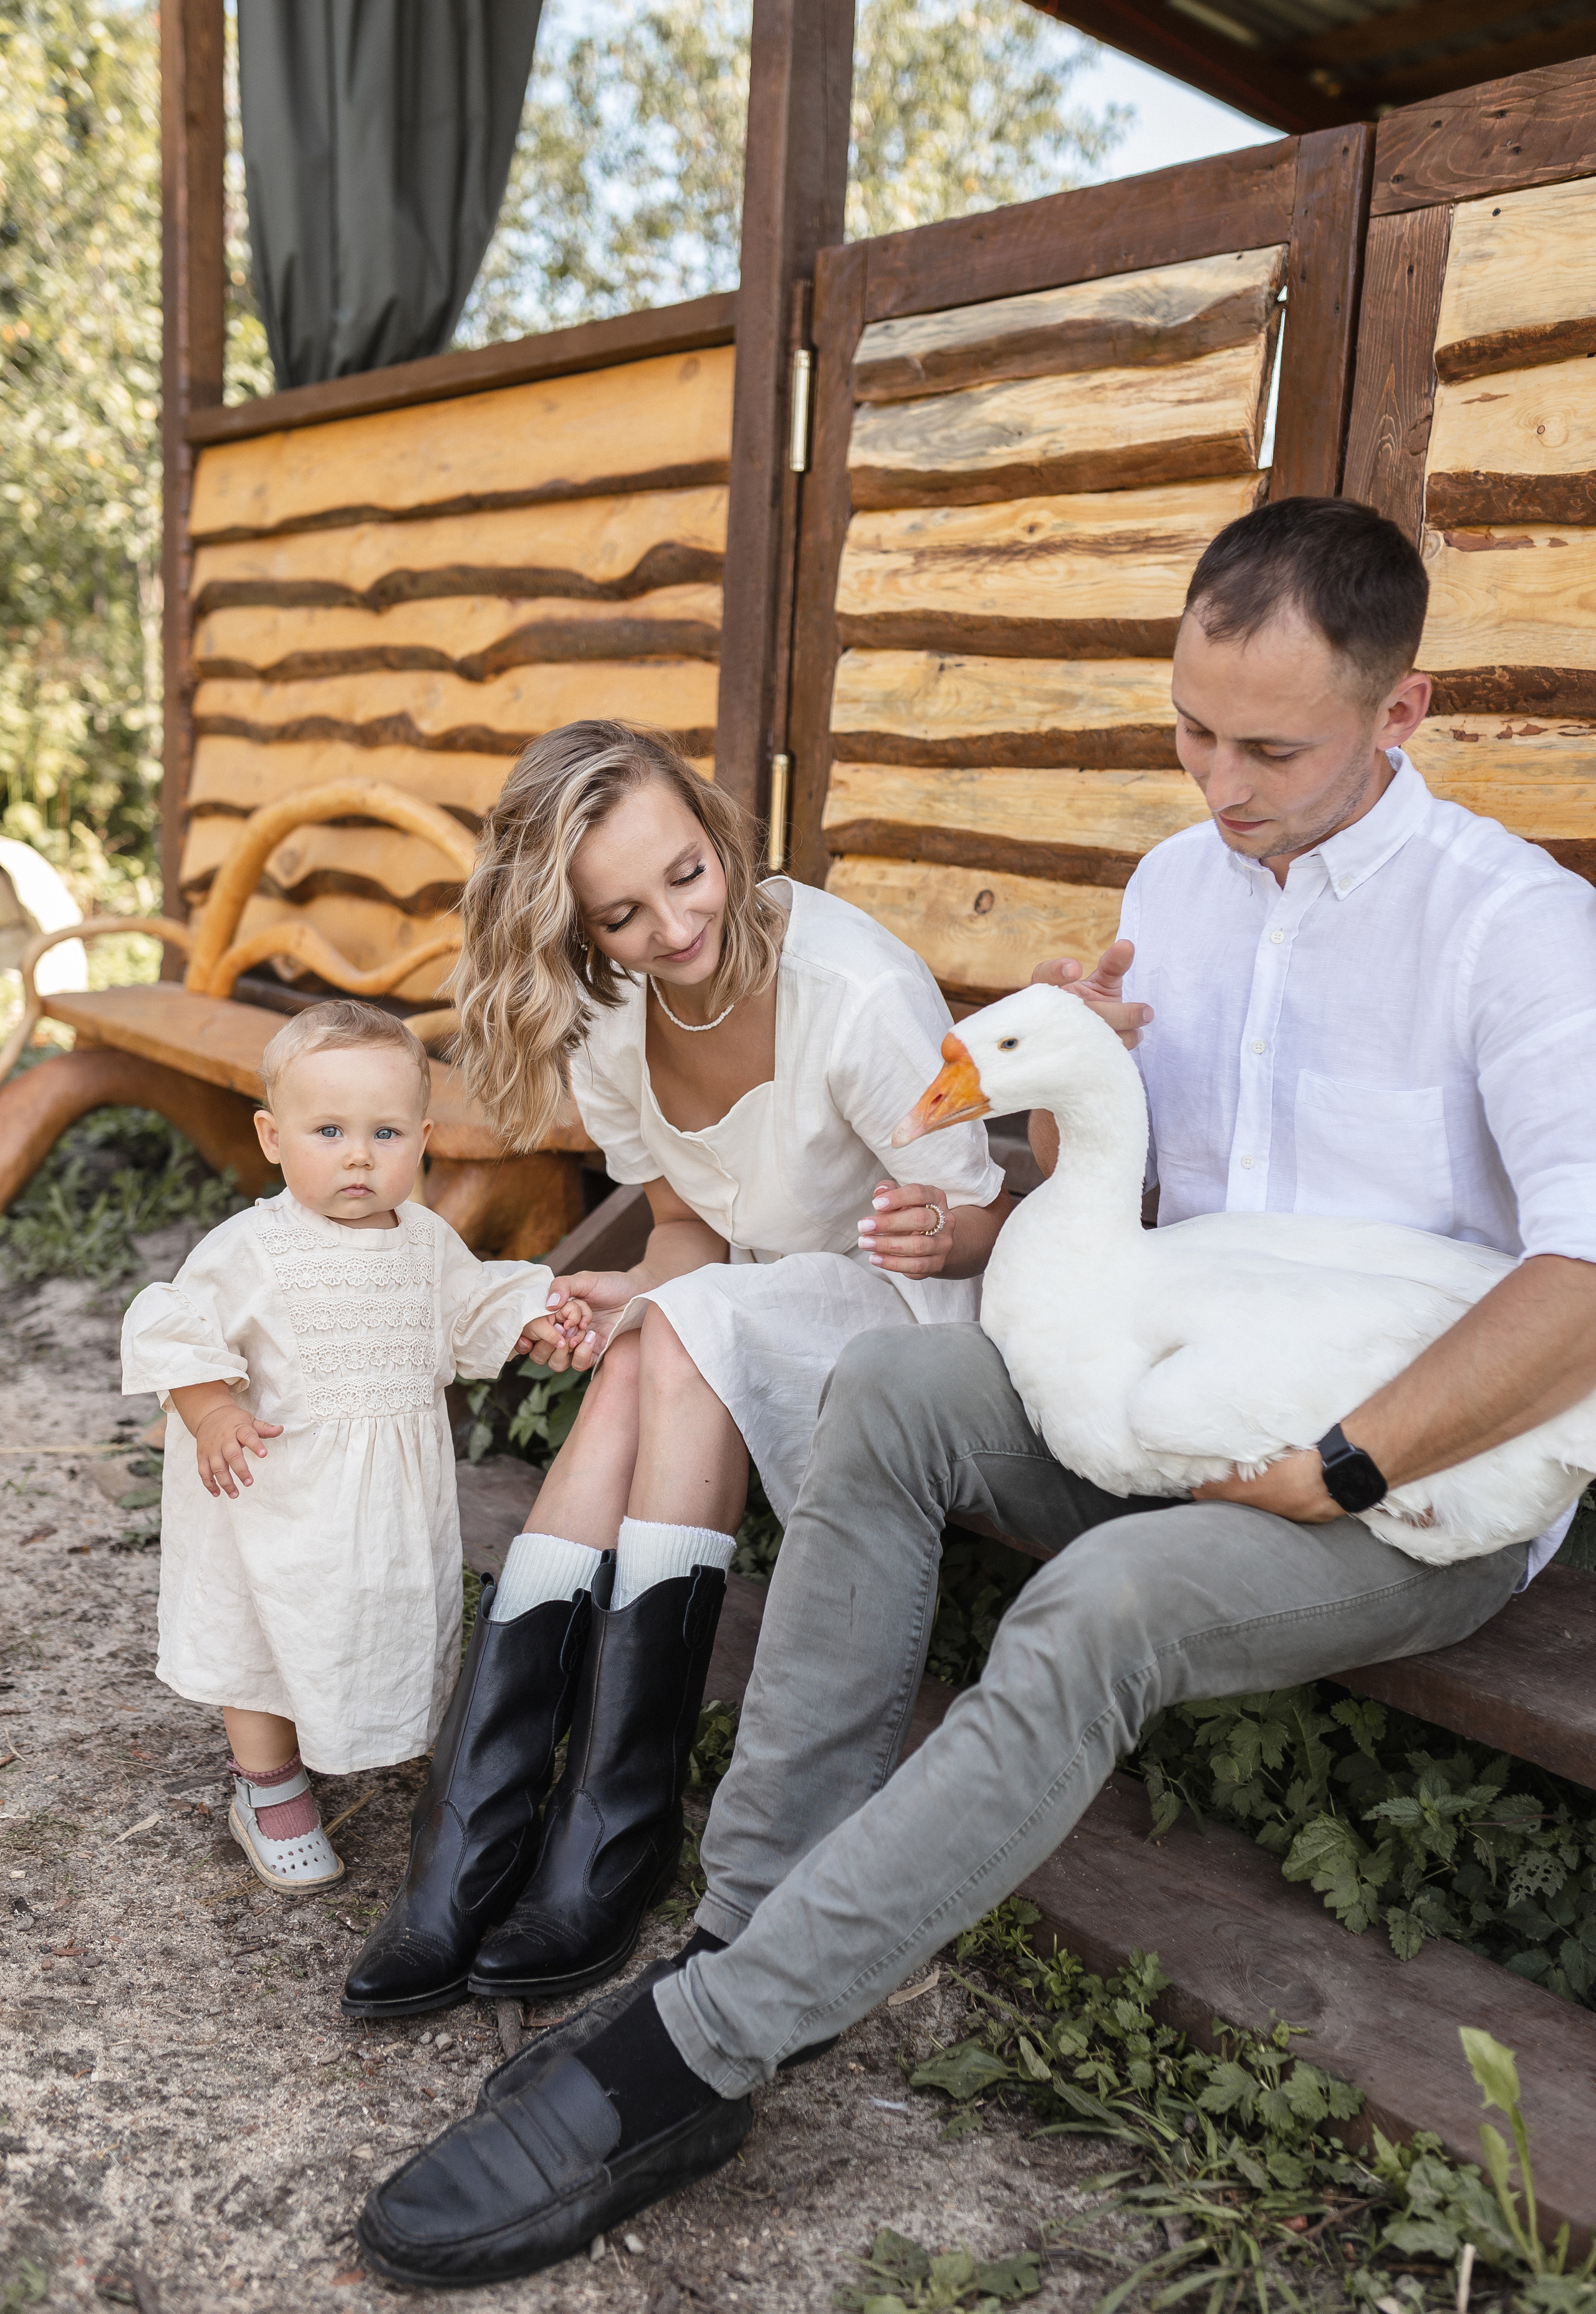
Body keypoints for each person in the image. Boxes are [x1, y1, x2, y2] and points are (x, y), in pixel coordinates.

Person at [357, 496, 1596, 2287]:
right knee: (883, 1396)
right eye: (1190, 729)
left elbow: (1585, 1280)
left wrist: (1342, 1460)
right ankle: (745, 1929)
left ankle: (695, 2055)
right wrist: (1046, 1119)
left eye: (1272, 748)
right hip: (1167, 1388)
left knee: (1102, 1604)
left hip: (1408, 1480)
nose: (1218, 781)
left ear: (1403, 715)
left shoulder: (1518, 930)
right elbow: (1103, 1189)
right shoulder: (1177, 886)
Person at [341, 721, 1011, 2017]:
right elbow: (691, 1227)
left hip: (911, 1319)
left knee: (690, 1334)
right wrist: (644, 1286)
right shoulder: (612, 1021)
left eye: (688, 874)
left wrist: (926, 1233)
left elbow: (974, 1219)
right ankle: (514, 1826)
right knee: (662, 1337)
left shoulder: (853, 992)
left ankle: (569, 1825)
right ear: (580, 932)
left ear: (715, 831)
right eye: (624, 914)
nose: (676, 925)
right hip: (749, 1303)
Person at [121, 1000, 585, 1898]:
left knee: (371, 1617)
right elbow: (177, 1330)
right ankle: (269, 1784)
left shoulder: (427, 1242)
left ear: (424, 1137)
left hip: (381, 1505)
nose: (360, 1155)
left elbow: (469, 1307)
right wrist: (213, 1411)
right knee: (262, 1633)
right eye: (328, 1130)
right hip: (275, 1493)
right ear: (272, 1135)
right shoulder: (250, 1248)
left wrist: (529, 1313)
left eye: (385, 1131)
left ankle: (361, 1726)